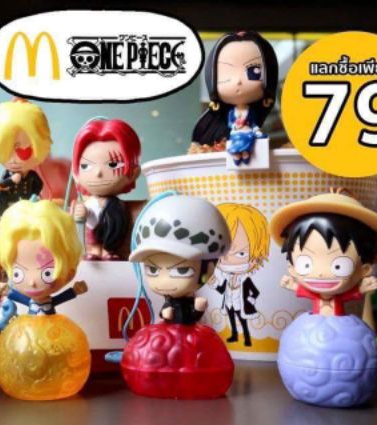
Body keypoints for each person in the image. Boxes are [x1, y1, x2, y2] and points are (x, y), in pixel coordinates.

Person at [269, 188, 377, 319]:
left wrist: (362, 289)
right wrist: (292, 285)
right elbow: (303, 291)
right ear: (292, 268)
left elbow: (350, 295)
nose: (320, 273)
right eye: (305, 264)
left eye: (339, 266)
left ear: (364, 270)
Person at [129, 193, 231, 325]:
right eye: (152, 270)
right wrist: (166, 314)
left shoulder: (191, 301)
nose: (164, 281)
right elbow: (165, 313)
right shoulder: (169, 303)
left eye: (182, 271)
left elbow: (193, 316)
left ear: (208, 269)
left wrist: (198, 309)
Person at [191, 31, 278, 165]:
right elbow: (231, 123)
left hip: (247, 134)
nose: (238, 81)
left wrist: (256, 131)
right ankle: (238, 158)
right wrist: (236, 125)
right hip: (236, 135)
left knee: (248, 150)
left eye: (253, 71)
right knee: (236, 150)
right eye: (225, 73)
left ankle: (244, 157)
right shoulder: (231, 115)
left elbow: (253, 124)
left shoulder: (250, 113)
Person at [0, 199, 88, 314]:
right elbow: (16, 296)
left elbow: (62, 297)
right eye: (17, 273)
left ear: (69, 274)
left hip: (54, 325)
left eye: (47, 273)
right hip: (28, 324)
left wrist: (75, 291)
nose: (32, 282)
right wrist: (7, 291)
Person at [72, 118, 141, 260]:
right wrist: (82, 213)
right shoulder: (87, 202)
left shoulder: (121, 206)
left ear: (133, 173)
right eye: (85, 166)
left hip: (114, 239)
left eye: (113, 165)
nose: (98, 172)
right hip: (92, 237)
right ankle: (95, 251)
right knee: (93, 237)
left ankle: (107, 250)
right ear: (76, 174)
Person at [209, 203, 269, 347]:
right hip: (229, 303)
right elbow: (222, 290)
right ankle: (235, 335)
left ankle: (247, 337)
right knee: (231, 318)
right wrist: (213, 282)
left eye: (241, 253)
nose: (229, 260)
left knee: (243, 320)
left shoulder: (245, 279)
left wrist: (250, 300)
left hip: (240, 304)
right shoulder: (227, 278)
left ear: (255, 258)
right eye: (223, 253)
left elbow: (255, 292)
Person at [0, 98, 52, 216]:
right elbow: (2, 184)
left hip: (28, 199)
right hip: (12, 197)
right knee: (0, 195)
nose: (21, 158)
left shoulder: (32, 175)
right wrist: (11, 180)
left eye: (30, 147)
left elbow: (39, 184)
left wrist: (35, 194)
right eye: (13, 148)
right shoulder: (9, 173)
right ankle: (2, 216)